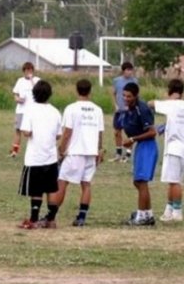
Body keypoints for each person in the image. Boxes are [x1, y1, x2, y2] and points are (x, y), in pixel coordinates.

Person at [45, 79, 105, 227]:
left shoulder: (71, 108)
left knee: (62, 182)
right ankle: (81, 217)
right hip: (91, 151)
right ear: (90, 91)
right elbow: (99, 133)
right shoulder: (98, 110)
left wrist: (62, 149)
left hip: (75, 151)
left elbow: (67, 132)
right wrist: (99, 150)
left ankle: (51, 215)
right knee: (86, 184)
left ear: (77, 90)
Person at [17, 80, 62, 229]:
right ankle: (51, 219)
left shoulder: (30, 110)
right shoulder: (55, 111)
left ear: (34, 94)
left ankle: (34, 219)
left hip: (34, 157)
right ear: (49, 94)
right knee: (51, 188)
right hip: (51, 157)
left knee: (36, 190)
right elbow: (58, 135)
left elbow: (26, 132)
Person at [122, 82, 158, 226]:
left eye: (129, 96)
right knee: (138, 182)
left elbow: (152, 132)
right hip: (141, 146)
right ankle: (147, 214)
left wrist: (132, 139)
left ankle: (142, 217)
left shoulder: (142, 109)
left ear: (136, 96)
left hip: (148, 146)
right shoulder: (129, 109)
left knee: (141, 182)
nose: (126, 98)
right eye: (124, 95)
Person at [148, 79, 184, 222]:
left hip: (174, 148)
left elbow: (150, 103)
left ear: (170, 90)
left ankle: (177, 211)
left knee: (174, 182)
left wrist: (167, 99)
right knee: (172, 180)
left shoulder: (170, 105)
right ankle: (169, 210)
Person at [9, 62, 40, 158]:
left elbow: (38, 90)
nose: (29, 72)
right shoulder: (20, 81)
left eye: (30, 70)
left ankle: (36, 151)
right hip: (21, 110)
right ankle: (14, 151)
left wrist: (31, 80)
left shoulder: (37, 80)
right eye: (27, 70)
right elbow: (15, 95)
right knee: (18, 131)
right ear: (24, 71)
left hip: (33, 111)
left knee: (33, 132)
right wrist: (18, 99)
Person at [110, 62, 138, 162]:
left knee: (130, 133)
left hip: (129, 111)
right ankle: (118, 154)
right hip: (119, 110)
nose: (129, 72)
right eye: (127, 70)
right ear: (123, 70)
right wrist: (115, 105)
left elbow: (137, 96)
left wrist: (131, 107)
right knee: (117, 132)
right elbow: (113, 93)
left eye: (131, 70)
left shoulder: (134, 81)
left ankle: (127, 155)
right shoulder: (117, 81)